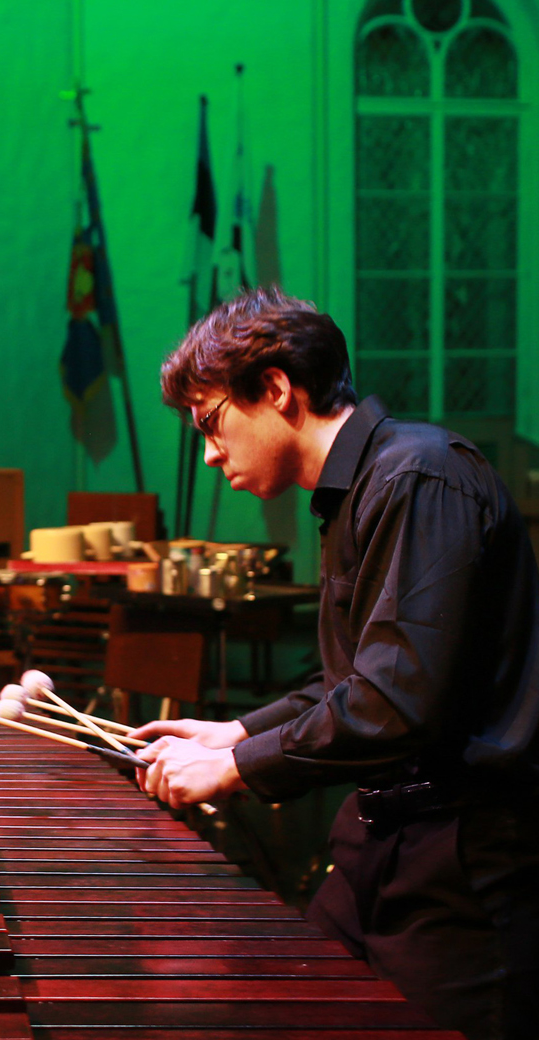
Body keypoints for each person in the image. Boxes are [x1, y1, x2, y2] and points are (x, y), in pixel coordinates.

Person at [132, 287, 539, 1039]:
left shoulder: (418, 477)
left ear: (279, 390)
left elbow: (396, 701)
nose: (210, 451)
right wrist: (234, 732)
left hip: (460, 861)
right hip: (380, 844)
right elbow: (352, 681)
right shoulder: (355, 495)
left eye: (211, 422)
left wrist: (240, 768)